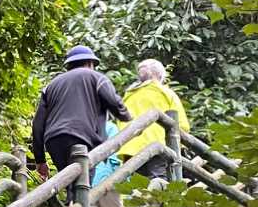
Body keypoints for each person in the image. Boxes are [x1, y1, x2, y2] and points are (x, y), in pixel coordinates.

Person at [30, 45, 130, 180]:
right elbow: (116, 105)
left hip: (55, 140)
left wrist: (40, 160)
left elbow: (37, 125)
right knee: (84, 182)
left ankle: (72, 195)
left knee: (70, 182)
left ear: (68, 66)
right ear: (90, 63)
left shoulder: (50, 86)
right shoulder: (96, 77)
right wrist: (128, 118)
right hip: (84, 137)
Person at [122, 58, 190, 185]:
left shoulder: (128, 95)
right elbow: (182, 125)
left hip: (131, 147)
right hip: (158, 145)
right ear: (159, 75)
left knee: (138, 185)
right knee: (158, 181)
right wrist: (180, 147)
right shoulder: (165, 93)